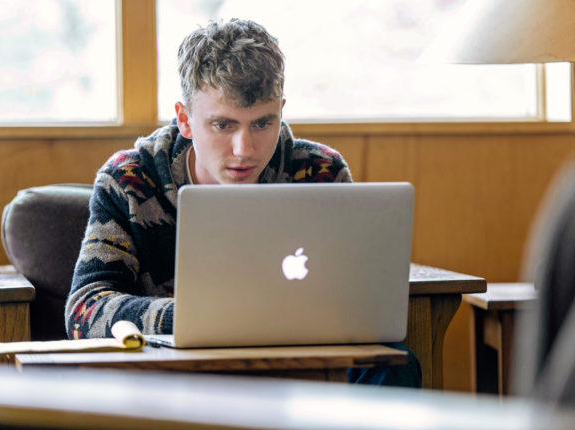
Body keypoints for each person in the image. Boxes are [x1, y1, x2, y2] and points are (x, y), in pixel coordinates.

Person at [65, 18, 420, 387]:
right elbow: (84, 309)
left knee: (397, 363)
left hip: (302, 367)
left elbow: (359, 295)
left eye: (263, 124)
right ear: (185, 120)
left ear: (281, 109)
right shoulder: (130, 180)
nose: (244, 150)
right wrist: (194, 319)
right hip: (181, 372)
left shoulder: (319, 172)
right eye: (223, 126)